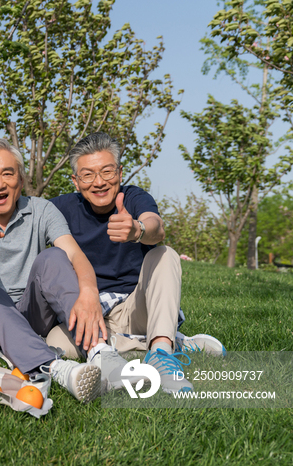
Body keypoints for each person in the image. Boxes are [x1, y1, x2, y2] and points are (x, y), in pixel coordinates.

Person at [0, 138, 119, 404]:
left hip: (27, 312)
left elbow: (74, 254)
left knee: (54, 256)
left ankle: (100, 351)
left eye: (7, 173)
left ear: (21, 180)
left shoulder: (41, 209)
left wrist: (90, 292)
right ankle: (56, 368)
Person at [48, 132, 226, 394]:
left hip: (136, 307)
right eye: (88, 175)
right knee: (54, 342)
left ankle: (162, 355)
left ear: (119, 173)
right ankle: (173, 341)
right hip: (91, 314)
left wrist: (138, 229)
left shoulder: (133, 197)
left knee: (164, 253)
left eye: (107, 172)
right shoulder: (61, 207)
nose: (98, 182)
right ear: (76, 181)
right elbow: (22, 210)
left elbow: (156, 226)